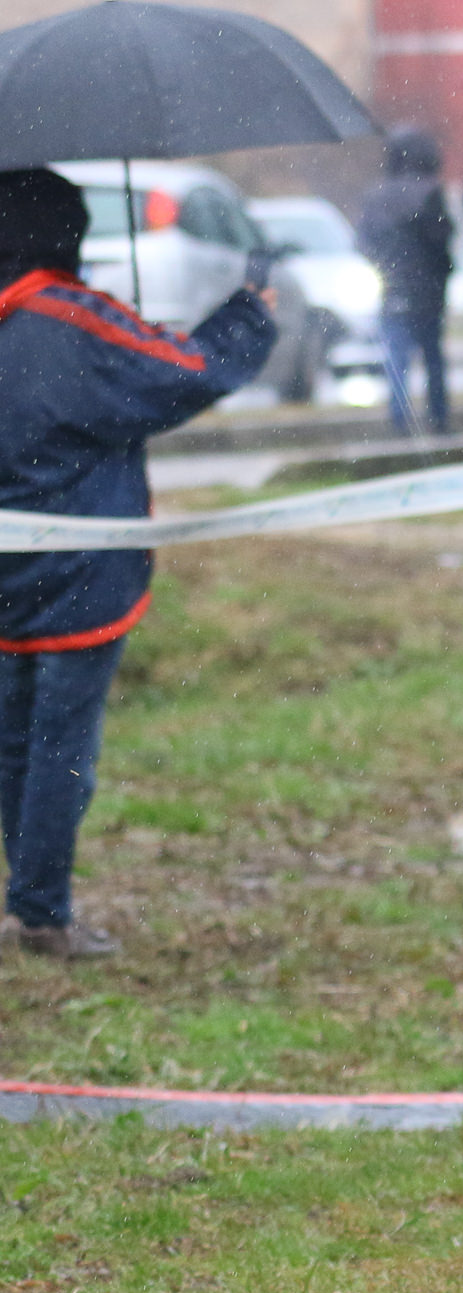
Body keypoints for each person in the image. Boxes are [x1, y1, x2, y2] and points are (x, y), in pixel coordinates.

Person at [0, 167, 273, 961]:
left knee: (15, 744)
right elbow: (185, 372)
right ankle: (42, 913)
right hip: (81, 576)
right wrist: (249, 313)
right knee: (60, 752)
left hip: (9, 571)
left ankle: (29, 896)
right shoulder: (69, 317)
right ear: (66, 233)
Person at [356, 126, 453, 438]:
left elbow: (363, 242)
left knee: (396, 356)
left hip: (393, 286)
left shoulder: (376, 196)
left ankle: (400, 419)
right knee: (433, 355)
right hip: (429, 289)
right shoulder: (431, 192)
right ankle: (438, 416)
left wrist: (386, 265)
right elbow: (442, 239)